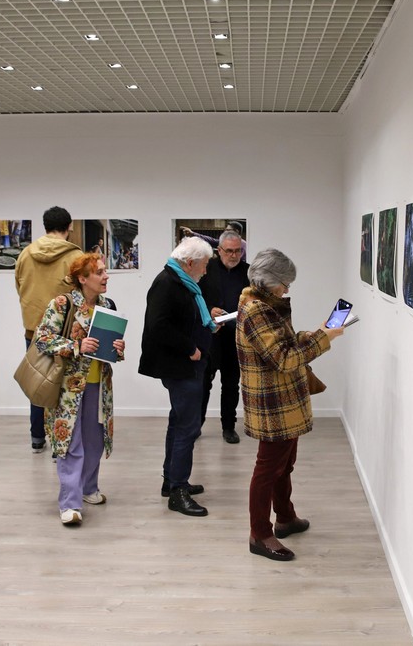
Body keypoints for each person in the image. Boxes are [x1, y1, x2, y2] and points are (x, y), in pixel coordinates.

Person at [236, 248, 344, 561]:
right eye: (285, 283)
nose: (287, 289)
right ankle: (260, 534)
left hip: (281, 400)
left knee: (284, 465)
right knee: (268, 469)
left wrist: (317, 332)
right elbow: (284, 359)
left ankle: (285, 518)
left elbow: (283, 342)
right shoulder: (257, 311)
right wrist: (325, 338)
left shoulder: (268, 304)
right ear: (269, 281)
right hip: (273, 403)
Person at [34, 254, 125, 526]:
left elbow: (109, 348)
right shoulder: (62, 303)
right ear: (82, 279)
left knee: (95, 441)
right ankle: (70, 503)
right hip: (67, 389)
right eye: (99, 272)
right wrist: (76, 346)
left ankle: (88, 488)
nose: (105, 276)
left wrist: (118, 350)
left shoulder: (107, 305)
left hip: (99, 384)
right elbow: (42, 338)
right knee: (71, 445)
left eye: (105, 271)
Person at [139, 237, 217, 517]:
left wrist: (207, 325)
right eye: (205, 265)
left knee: (179, 422)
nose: (206, 271)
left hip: (186, 364)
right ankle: (178, 492)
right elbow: (158, 326)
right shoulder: (167, 282)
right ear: (190, 262)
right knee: (188, 427)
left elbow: (181, 318)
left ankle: (171, 481)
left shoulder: (181, 280)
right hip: (181, 364)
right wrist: (191, 348)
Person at [16, 207, 83, 453]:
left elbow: (19, 286)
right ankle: (61, 443)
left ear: (45, 225)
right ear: (70, 226)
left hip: (33, 330)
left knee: (38, 381)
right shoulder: (74, 256)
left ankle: (37, 437)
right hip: (65, 333)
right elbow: (82, 294)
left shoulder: (25, 254)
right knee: (64, 388)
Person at [200, 230, 250, 443]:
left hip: (236, 338)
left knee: (231, 385)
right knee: (203, 383)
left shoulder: (249, 273)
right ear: (218, 250)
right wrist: (209, 310)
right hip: (209, 337)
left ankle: (229, 427)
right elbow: (196, 298)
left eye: (238, 251)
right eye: (229, 251)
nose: (233, 255)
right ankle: (196, 425)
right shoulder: (205, 270)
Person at [180, 221, 248, 261]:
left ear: (236, 231)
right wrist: (193, 234)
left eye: (228, 230)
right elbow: (211, 241)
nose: (225, 232)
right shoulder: (229, 242)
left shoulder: (242, 245)